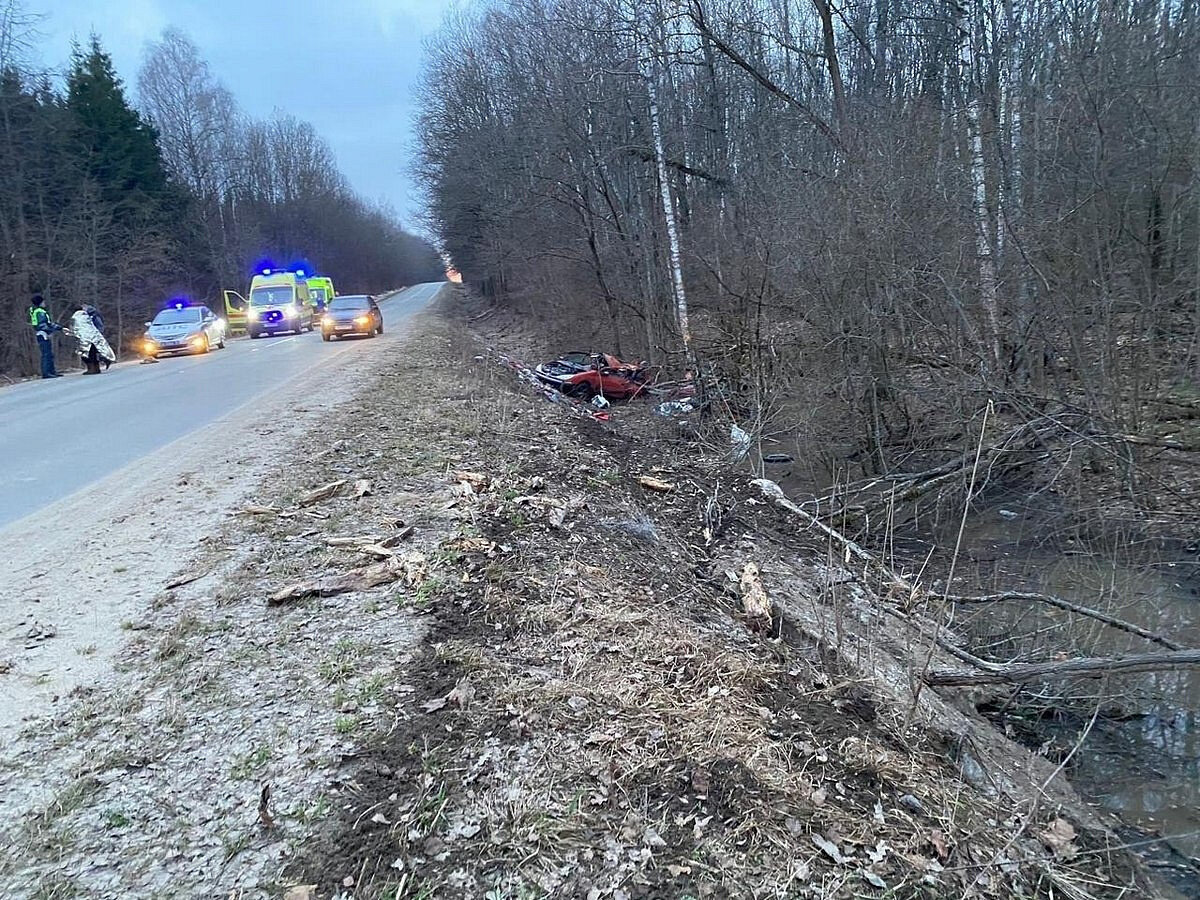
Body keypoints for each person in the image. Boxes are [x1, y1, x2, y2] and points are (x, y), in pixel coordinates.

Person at [69, 303, 116, 374]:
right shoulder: (88, 315)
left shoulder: (75, 317)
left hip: (85, 338)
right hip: (95, 336)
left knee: (86, 355)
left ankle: (91, 369)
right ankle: (97, 368)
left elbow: (73, 328)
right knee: (94, 353)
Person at [28, 294, 63, 379]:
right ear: (40, 302)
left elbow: (48, 323)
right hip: (43, 334)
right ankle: (47, 373)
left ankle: (51, 371)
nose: (45, 303)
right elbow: (43, 325)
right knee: (46, 354)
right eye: (43, 301)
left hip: (42, 334)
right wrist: (51, 331)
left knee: (49, 354)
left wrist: (58, 327)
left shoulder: (37, 311)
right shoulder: (40, 312)